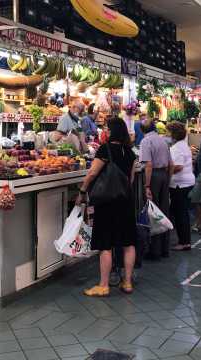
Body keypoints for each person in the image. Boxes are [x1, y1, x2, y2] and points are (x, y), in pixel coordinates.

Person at [77, 117, 138, 296]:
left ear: (111, 132)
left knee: (106, 244)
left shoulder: (105, 149)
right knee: (128, 242)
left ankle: (103, 285)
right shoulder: (130, 151)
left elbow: (92, 173)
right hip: (126, 201)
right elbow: (131, 179)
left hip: (107, 202)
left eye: (107, 129)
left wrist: (82, 191)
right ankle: (127, 283)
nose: (105, 132)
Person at [139, 118, 173, 260]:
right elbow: (171, 163)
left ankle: (154, 251)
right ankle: (165, 249)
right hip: (164, 175)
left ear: (142, 130)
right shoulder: (163, 140)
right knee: (164, 212)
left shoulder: (146, 141)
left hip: (153, 177)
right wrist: (168, 178)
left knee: (153, 212)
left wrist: (147, 185)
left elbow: (148, 165)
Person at [166, 122, 195, 251]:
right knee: (182, 213)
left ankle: (184, 242)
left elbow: (178, 166)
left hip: (180, 184)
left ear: (173, 134)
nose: (167, 135)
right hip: (186, 182)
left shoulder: (177, 148)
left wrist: (167, 171)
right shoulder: (184, 145)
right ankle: (185, 241)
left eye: (168, 132)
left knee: (180, 213)